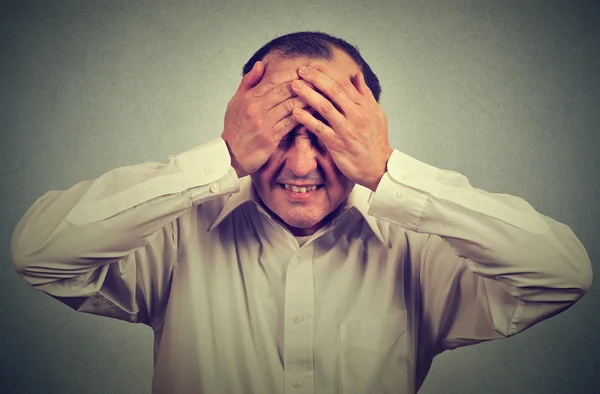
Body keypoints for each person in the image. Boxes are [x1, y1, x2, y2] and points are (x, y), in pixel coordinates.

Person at [10, 31, 592, 394]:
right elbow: (40, 254)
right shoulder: (177, 232)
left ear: (367, 130)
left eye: (329, 129)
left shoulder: (422, 247)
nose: (304, 163)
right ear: (245, 124)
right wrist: (223, 157)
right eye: (281, 130)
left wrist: (389, 172)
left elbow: (563, 274)